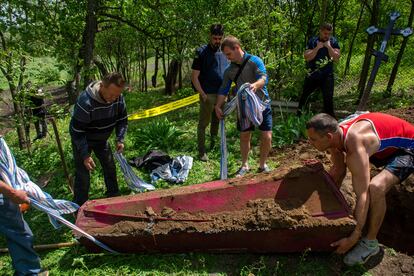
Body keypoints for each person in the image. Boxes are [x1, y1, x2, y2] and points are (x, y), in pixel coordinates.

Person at [306, 112, 414, 266]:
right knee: (339, 171)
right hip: (382, 145)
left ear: (328, 137)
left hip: (409, 147)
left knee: (375, 187)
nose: (309, 142)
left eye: (313, 139)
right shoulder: (336, 135)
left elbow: (363, 194)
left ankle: (370, 244)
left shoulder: (354, 145)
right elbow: (338, 170)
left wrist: (354, 235)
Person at [215, 36, 272, 177]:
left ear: (237, 48)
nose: (228, 58)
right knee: (245, 135)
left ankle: (262, 165)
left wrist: (256, 85)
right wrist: (217, 106)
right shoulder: (229, 70)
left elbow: (264, 77)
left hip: (262, 104)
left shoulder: (254, 61)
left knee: (266, 136)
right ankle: (245, 165)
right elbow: (223, 89)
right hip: (244, 107)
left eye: (229, 54)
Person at [70, 72, 127, 206]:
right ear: (102, 86)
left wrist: (120, 139)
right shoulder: (85, 102)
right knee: (83, 174)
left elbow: (122, 120)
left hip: (101, 139)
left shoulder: (118, 98)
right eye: (111, 94)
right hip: (83, 139)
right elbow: (77, 131)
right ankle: (80, 205)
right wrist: (85, 155)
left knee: (109, 166)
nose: (113, 98)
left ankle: (113, 196)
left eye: (117, 95)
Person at [191, 24, 228, 161]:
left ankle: (213, 144)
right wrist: (203, 94)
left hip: (222, 94)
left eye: (219, 38)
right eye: (214, 38)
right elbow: (194, 77)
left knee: (216, 120)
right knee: (203, 124)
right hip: (207, 94)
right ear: (210, 36)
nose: (217, 41)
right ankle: (202, 152)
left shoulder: (225, 51)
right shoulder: (201, 52)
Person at [297, 23, 340, 118]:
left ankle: (330, 122)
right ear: (320, 31)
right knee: (305, 97)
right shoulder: (313, 41)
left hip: (327, 75)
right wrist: (317, 48)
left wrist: (329, 47)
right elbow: (307, 57)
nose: (327, 36)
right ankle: (299, 118)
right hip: (312, 74)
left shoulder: (333, 41)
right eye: (325, 33)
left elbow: (336, 58)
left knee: (328, 99)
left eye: (329, 34)